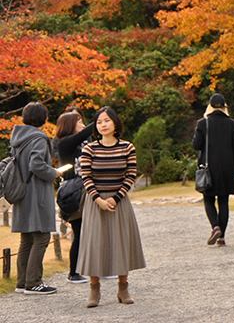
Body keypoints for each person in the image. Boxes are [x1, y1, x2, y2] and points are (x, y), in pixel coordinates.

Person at [77, 106, 146, 308]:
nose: (103, 125)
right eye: (99, 122)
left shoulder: (127, 147)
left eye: (106, 120)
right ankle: (94, 289)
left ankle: (123, 287)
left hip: (119, 202)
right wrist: (98, 200)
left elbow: (131, 175)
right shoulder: (89, 149)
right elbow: (86, 176)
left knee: (121, 243)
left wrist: (116, 198)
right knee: (94, 244)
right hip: (95, 203)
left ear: (115, 123)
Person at [11, 102, 61, 295]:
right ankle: (34, 283)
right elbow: (37, 165)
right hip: (36, 194)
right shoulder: (39, 138)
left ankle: (22, 282)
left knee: (26, 239)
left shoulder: (18, 137)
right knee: (41, 237)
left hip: (21, 193)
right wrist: (54, 173)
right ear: (45, 119)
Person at [192, 93, 234, 246]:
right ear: (224, 106)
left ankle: (215, 227)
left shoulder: (203, 123)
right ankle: (222, 237)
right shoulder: (232, 124)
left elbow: (195, 145)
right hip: (227, 168)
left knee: (208, 199)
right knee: (223, 201)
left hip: (209, 167)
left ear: (210, 106)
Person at [54, 109, 95, 284]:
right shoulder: (64, 143)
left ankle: (97, 269)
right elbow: (87, 131)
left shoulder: (86, 142)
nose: (82, 122)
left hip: (90, 190)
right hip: (74, 194)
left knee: (94, 231)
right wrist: (101, 117)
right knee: (79, 232)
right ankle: (73, 272)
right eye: (78, 120)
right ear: (70, 124)